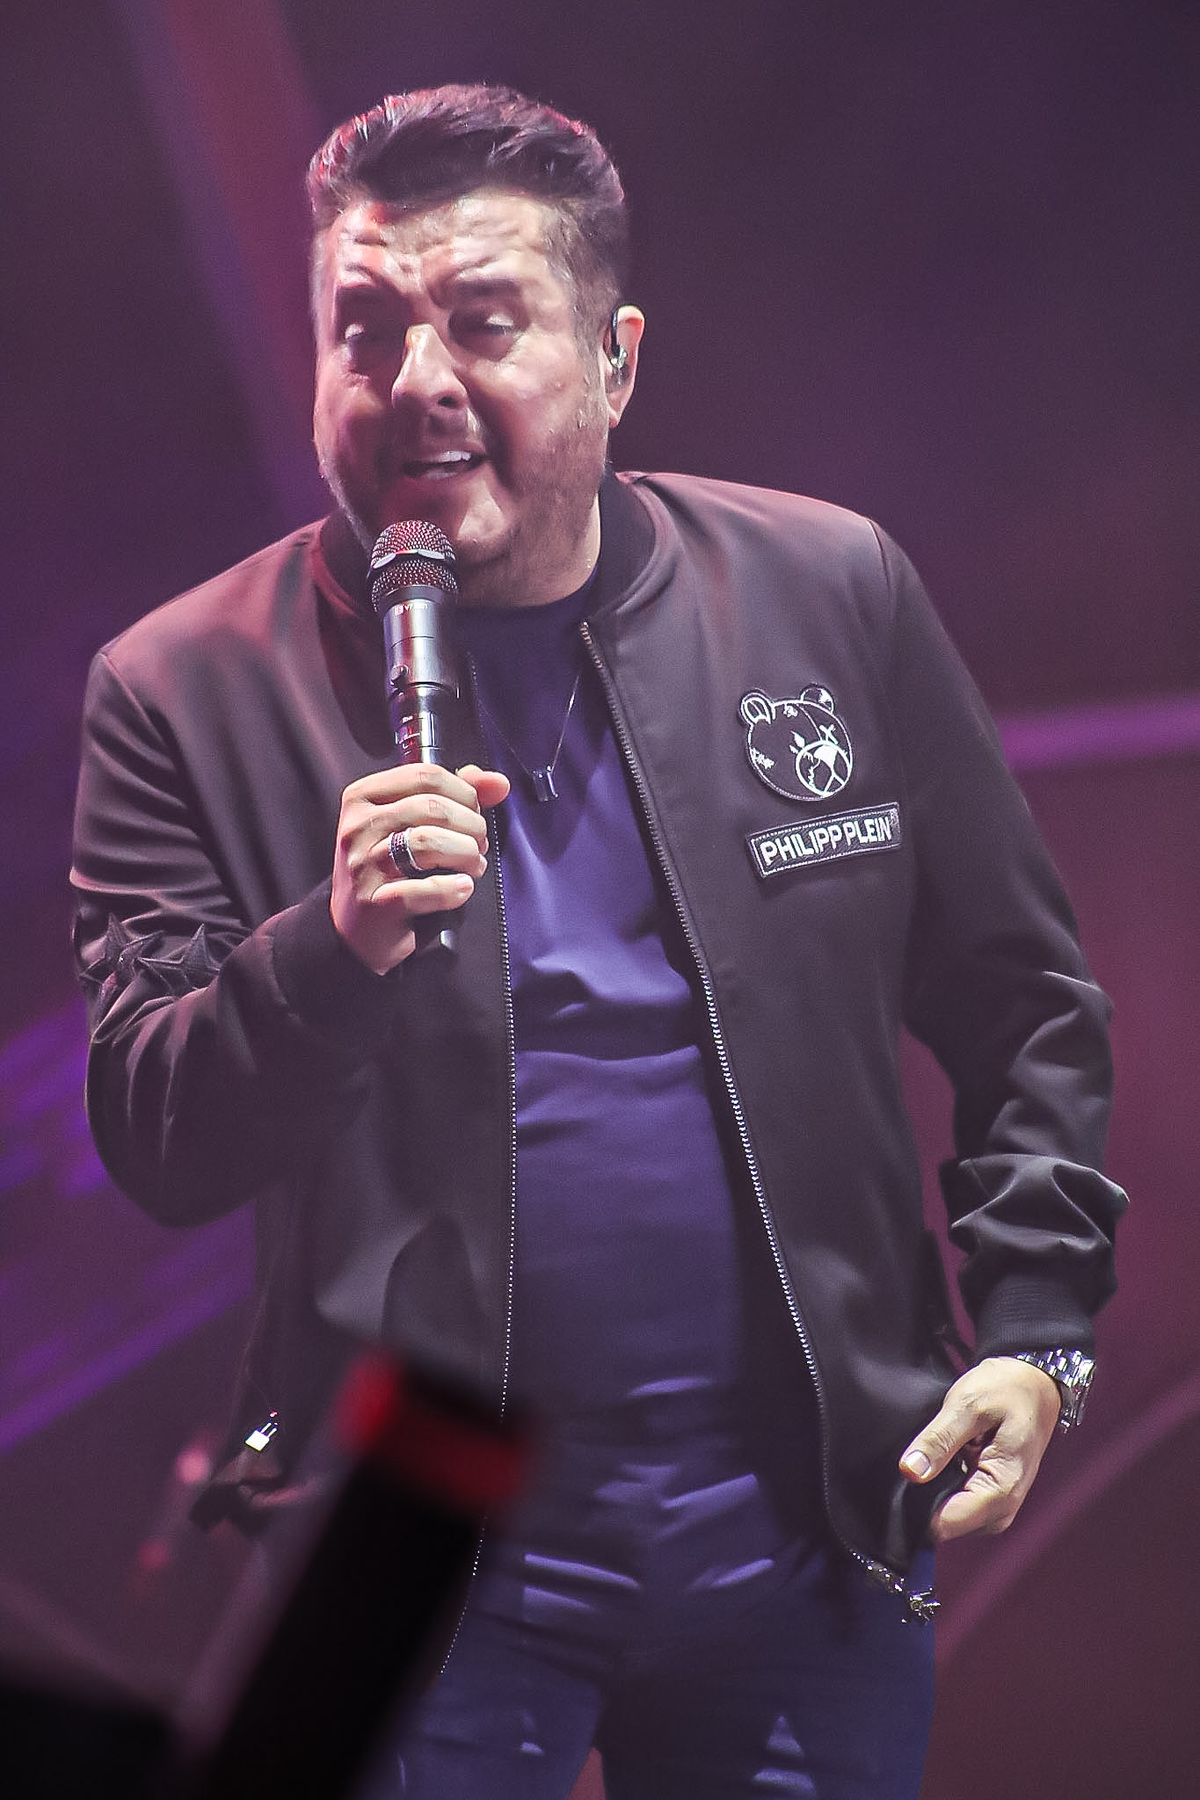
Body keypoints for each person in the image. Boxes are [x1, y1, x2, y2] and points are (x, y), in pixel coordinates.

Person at [71, 84, 1126, 1799]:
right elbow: (159, 1136)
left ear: (616, 360)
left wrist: (1035, 1327)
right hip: (418, 1529)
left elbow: (1022, 1002)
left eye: (484, 323)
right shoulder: (180, 688)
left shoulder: (823, 589)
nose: (417, 380)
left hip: (804, 1500)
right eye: (364, 330)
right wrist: (329, 952)